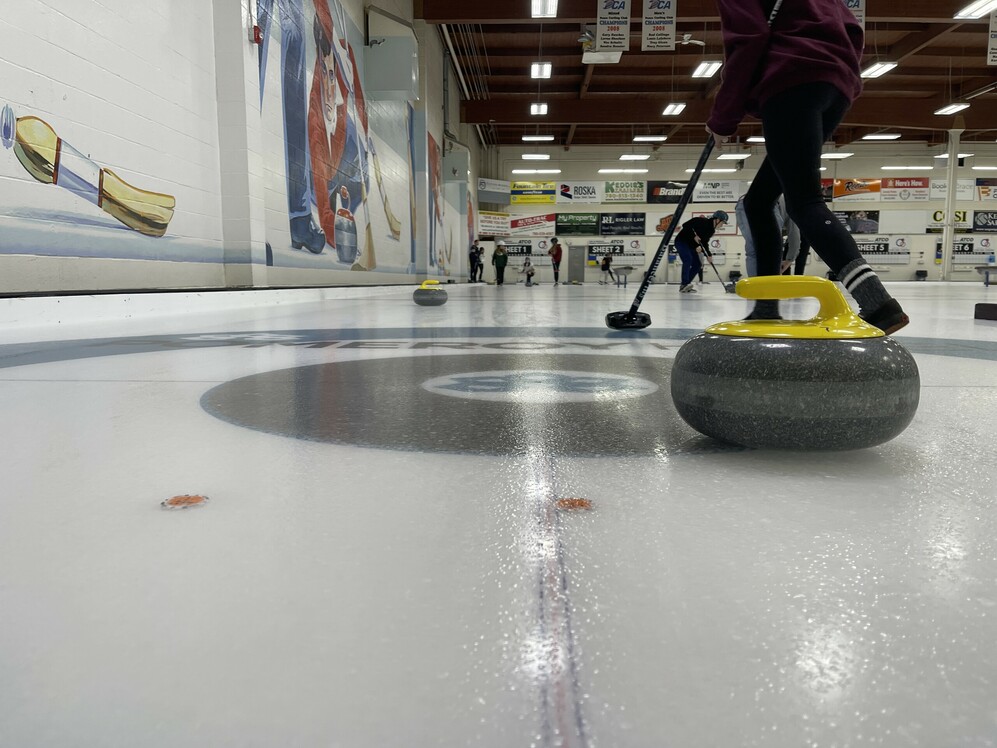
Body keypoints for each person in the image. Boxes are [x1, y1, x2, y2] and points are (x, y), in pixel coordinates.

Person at [707, 0, 908, 333]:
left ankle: (878, 302)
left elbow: (748, 40)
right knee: (758, 201)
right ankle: (766, 306)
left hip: (792, 80)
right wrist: (841, 76)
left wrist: (723, 118)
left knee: (804, 202)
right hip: (835, 85)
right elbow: (852, 28)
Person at [736, 194, 800, 277]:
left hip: (743, 204)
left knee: (752, 250)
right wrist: (789, 260)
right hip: (769, 203)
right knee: (773, 250)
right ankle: (770, 286)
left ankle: (755, 286)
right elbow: (794, 236)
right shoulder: (793, 208)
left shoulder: (787, 201)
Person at [674, 211, 728, 293]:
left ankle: (686, 284)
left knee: (697, 265)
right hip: (682, 241)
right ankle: (684, 284)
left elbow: (704, 243)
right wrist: (694, 236)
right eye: (722, 223)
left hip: (691, 246)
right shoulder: (701, 221)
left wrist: (709, 255)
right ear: (717, 220)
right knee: (688, 259)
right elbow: (685, 225)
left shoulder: (711, 231)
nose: (722, 225)